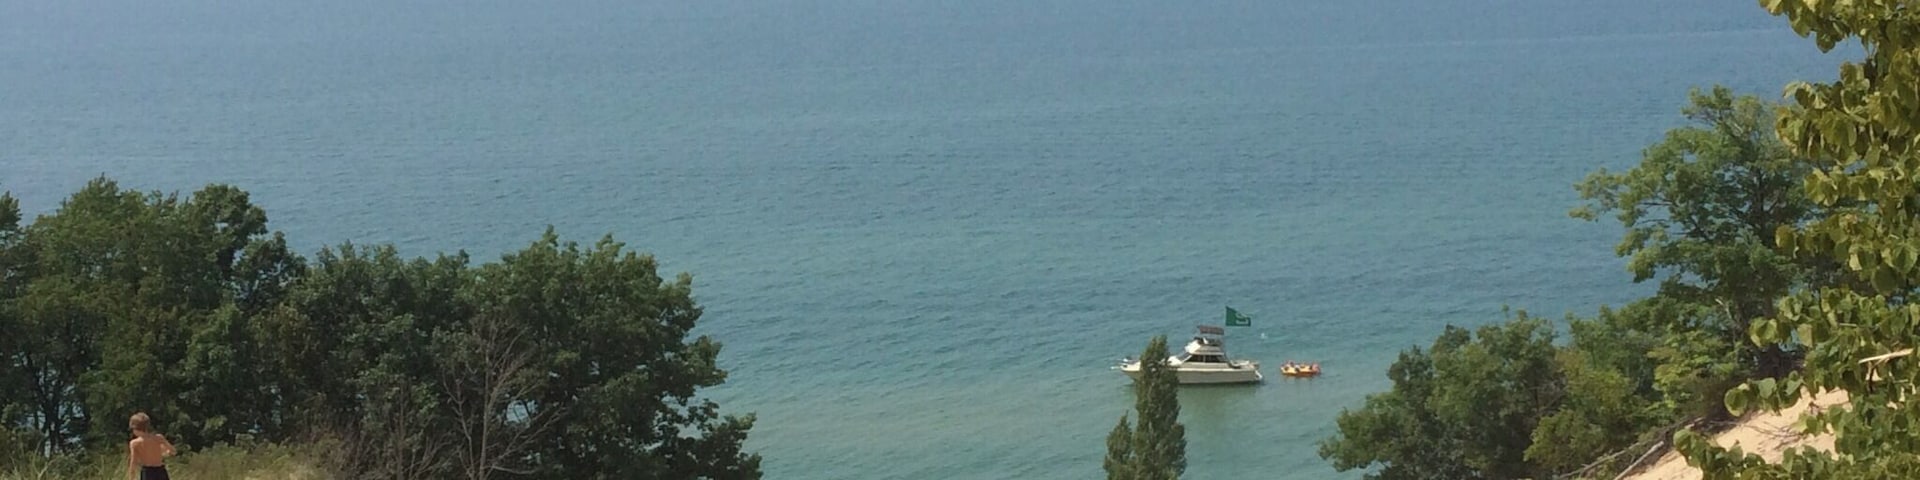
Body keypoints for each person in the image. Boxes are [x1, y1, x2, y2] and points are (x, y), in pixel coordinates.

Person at [127, 412, 175, 480]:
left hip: (148, 472)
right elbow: (173, 451)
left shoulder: (135, 443)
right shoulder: (158, 438)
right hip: (161, 471)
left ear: (134, 428)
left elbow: (133, 462)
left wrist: (131, 477)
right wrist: (166, 453)